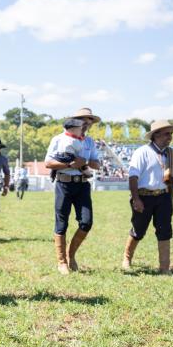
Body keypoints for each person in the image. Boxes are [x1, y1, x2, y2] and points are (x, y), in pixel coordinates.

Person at [45, 109, 101, 274]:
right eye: (84, 121)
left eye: (89, 122)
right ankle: (62, 261)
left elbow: (97, 165)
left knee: (86, 222)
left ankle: (71, 254)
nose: (87, 124)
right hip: (64, 184)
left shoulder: (90, 142)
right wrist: (70, 164)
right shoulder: (59, 139)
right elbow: (48, 163)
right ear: (76, 121)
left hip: (83, 185)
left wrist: (86, 161)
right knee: (61, 223)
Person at [122, 120, 173, 273]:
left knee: (165, 230)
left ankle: (164, 267)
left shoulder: (172, 154)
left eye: (171, 133)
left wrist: (170, 200)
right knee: (138, 230)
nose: (170, 137)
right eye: (167, 133)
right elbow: (133, 177)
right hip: (143, 197)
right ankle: (127, 258)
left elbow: (172, 180)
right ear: (156, 135)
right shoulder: (142, 152)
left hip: (163, 197)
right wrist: (136, 199)